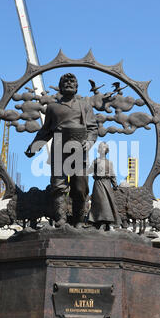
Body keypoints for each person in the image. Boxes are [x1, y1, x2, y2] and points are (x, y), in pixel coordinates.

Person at [25, 73, 98, 228]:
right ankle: (61, 219)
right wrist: (34, 147)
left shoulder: (84, 105)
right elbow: (45, 131)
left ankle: (79, 220)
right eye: (65, 81)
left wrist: (90, 142)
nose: (69, 84)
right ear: (60, 86)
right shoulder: (53, 107)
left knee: (80, 188)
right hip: (59, 147)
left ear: (77, 86)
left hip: (80, 149)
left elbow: (92, 128)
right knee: (58, 186)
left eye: (72, 81)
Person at [88, 142, 121, 230]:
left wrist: (115, 185)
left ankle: (107, 222)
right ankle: (97, 220)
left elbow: (113, 174)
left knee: (108, 203)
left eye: (103, 147)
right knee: (99, 202)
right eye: (100, 147)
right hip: (98, 183)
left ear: (106, 150)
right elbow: (89, 171)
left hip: (107, 183)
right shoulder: (95, 161)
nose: (102, 149)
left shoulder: (109, 162)